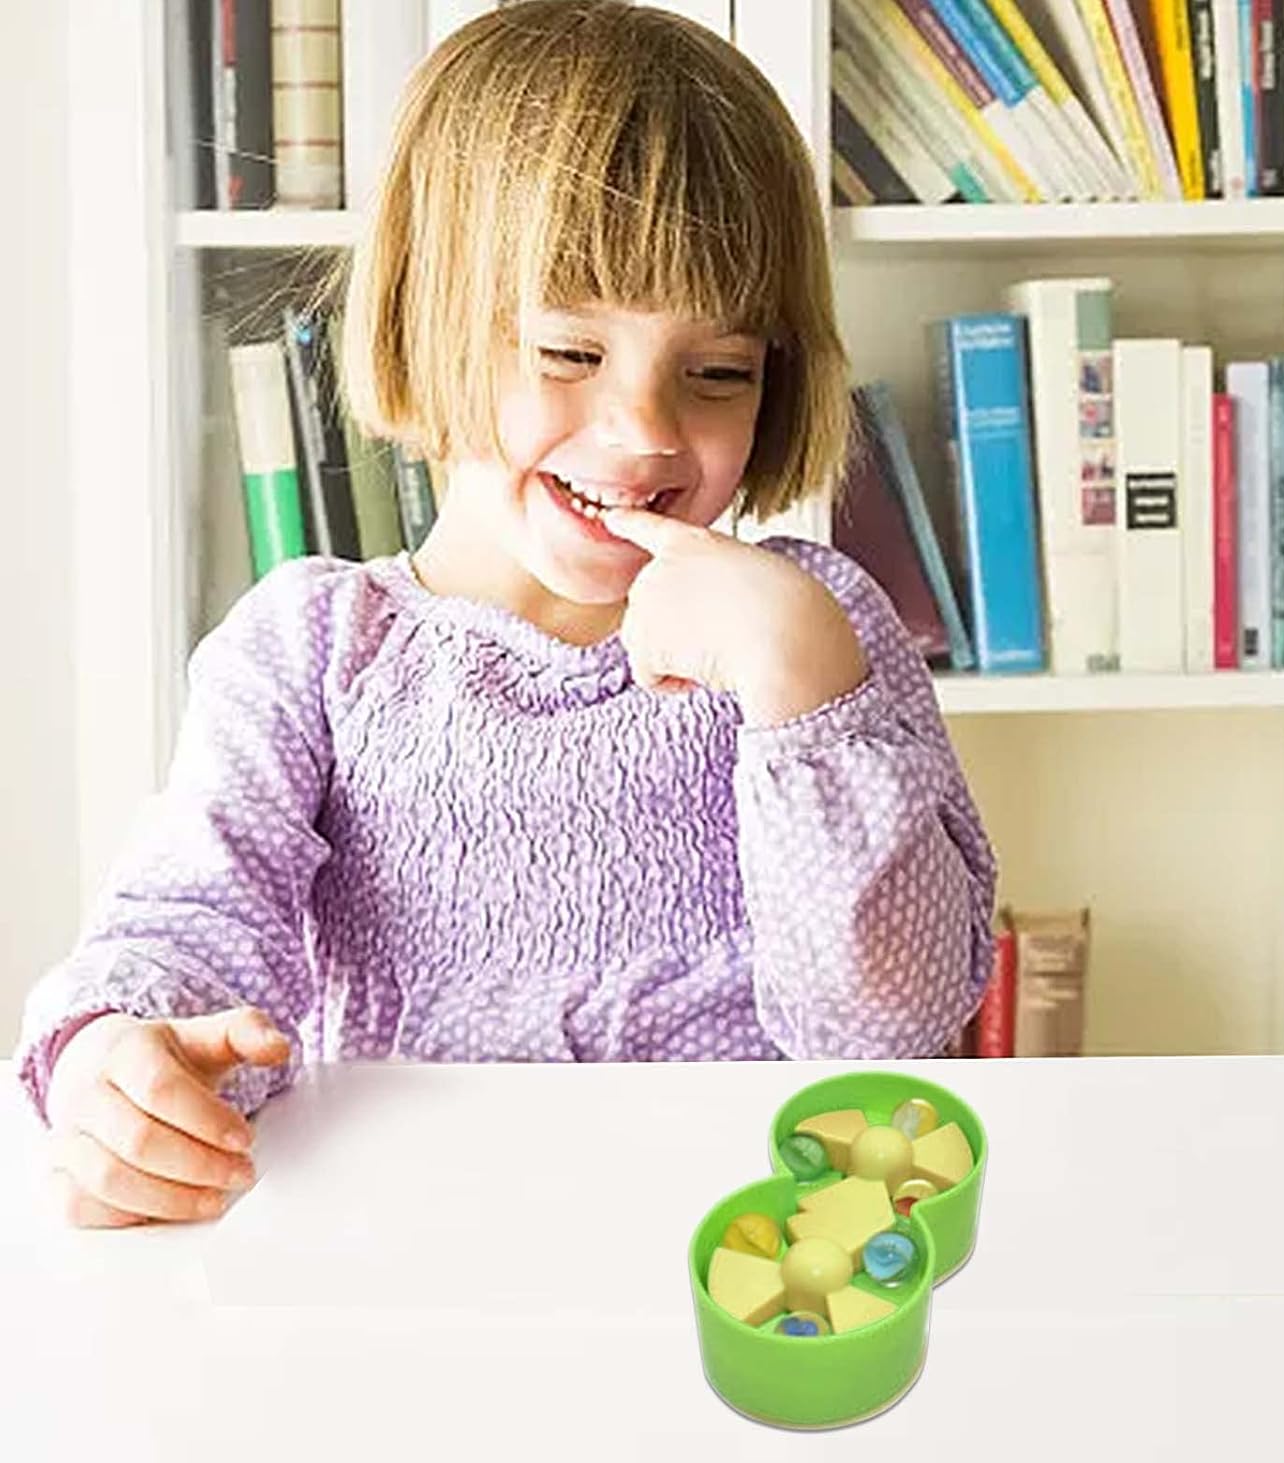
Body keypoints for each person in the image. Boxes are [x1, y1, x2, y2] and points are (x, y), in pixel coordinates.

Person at [17, 0, 997, 1229]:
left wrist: (805, 689)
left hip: (741, 1270)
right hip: (415, 1264)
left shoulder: (818, 626)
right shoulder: (311, 653)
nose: (645, 431)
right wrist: (117, 1055)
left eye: (719, 372)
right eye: (569, 354)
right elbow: (188, 926)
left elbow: (890, 1031)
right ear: (423, 327)